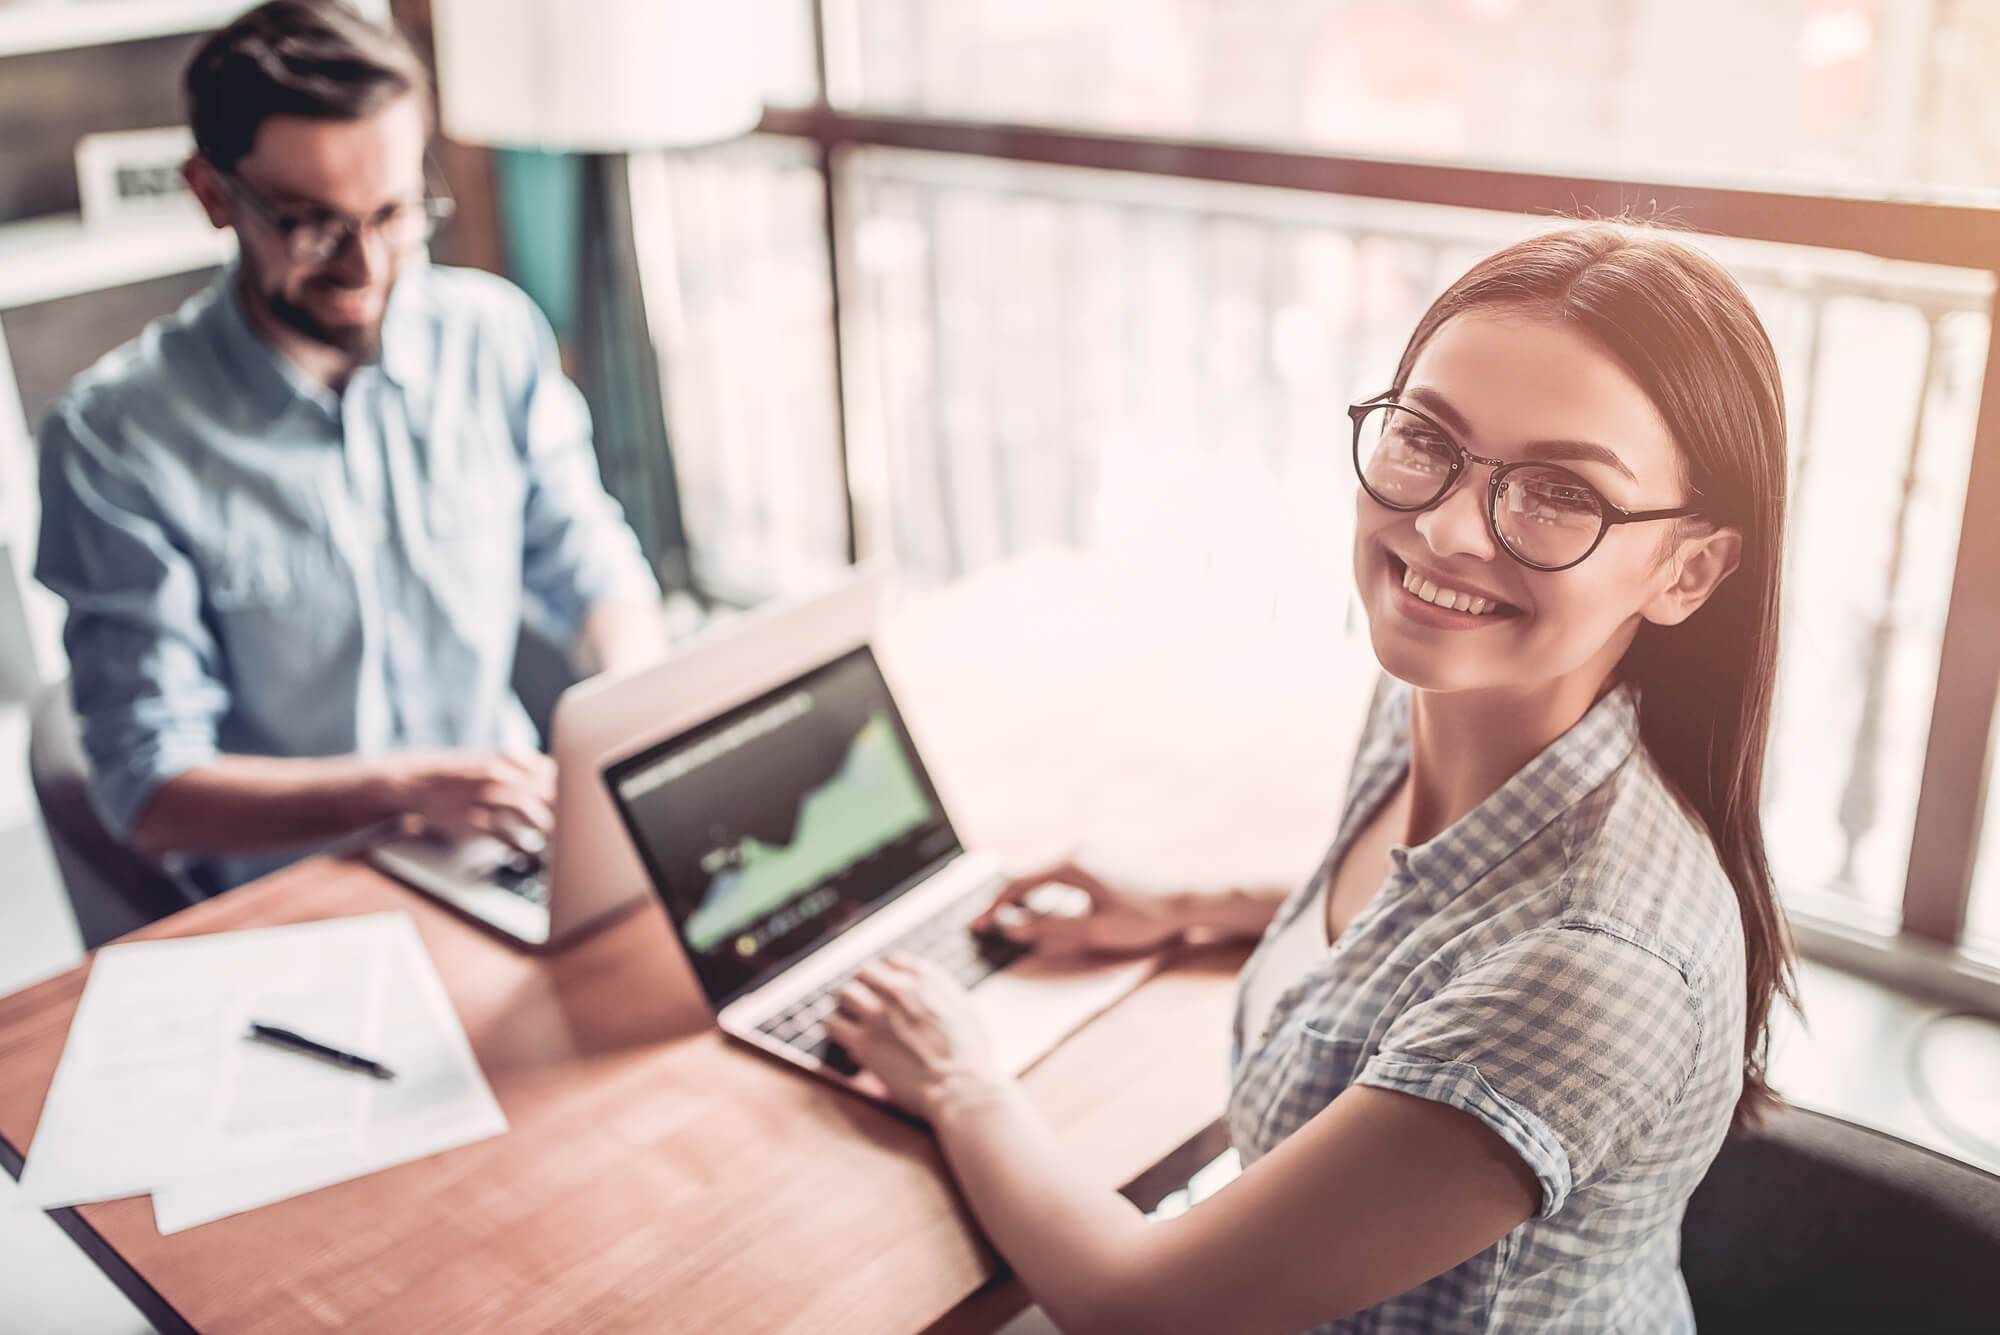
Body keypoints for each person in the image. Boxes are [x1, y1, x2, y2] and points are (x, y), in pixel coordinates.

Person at [826, 224, 1796, 1333]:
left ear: (1687, 571)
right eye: (1425, 438)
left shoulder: (1593, 974)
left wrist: (959, 1080)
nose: (1443, 529)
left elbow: (1141, 1307)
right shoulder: (1442, 690)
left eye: (1557, 491)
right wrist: (1187, 906)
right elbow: (1437, 926)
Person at [36, 0, 666, 896]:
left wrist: (641, 715)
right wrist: (410, 790)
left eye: (395, 213)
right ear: (213, 194)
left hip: (509, 849)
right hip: (300, 894)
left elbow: (590, 564)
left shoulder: (492, 337)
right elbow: (152, 790)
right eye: (313, 224)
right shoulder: (112, 440)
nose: (366, 269)